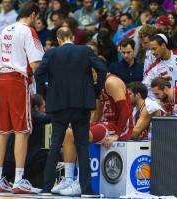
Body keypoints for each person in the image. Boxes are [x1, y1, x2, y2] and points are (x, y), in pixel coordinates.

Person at [34, 27, 107, 197]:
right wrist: (95, 91)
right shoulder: (86, 51)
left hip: (58, 105)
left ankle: (46, 188)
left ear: (59, 39)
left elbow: (38, 74)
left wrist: (46, 93)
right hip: (81, 105)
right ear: (72, 37)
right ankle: (87, 190)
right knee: (82, 146)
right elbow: (102, 70)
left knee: (54, 146)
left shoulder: (51, 53)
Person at [51, 72, 134, 196]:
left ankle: (81, 183)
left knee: (79, 135)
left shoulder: (111, 82)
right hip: (106, 123)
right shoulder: (99, 84)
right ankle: (68, 179)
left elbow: (126, 111)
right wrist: (90, 124)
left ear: (94, 70)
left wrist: (116, 134)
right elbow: (100, 110)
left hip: (120, 126)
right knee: (69, 132)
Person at [0, 1, 44, 194]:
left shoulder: (5, 30)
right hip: (17, 81)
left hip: (2, 79)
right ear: (32, 14)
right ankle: (18, 180)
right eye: (37, 17)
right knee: (22, 131)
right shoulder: (28, 31)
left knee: (3, 131)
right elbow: (37, 63)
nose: (37, 21)